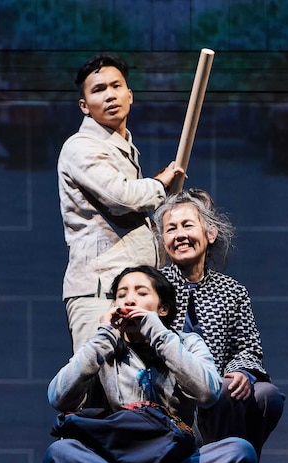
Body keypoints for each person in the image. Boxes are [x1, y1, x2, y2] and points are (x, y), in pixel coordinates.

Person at [40, 265, 257, 463]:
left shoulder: (187, 342)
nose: (129, 300)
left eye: (141, 293)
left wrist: (158, 334)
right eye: (121, 295)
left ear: (162, 308)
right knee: (60, 453)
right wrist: (103, 339)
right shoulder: (103, 346)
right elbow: (58, 397)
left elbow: (208, 392)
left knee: (240, 452)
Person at [154, 188, 286, 463]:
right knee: (216, 390)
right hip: (171, 392)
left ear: (210, 233)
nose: (179, 235)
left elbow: (248, 347)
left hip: (223, 392)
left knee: (267, 396)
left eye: (188, 225)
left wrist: (241, 372)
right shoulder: (154, 285)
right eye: (171, 229)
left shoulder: (232, 290)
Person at [58, 53, 185, 352]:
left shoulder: (125, 147)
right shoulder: (82, 146)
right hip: (99, 291)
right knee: (100, 386)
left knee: (138, 392)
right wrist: (159, 184)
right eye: (99, 90)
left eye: (116, 86)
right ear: (84, 106)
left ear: (130, 94)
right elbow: (120, 198)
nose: (110, 95)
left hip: (134, 289)